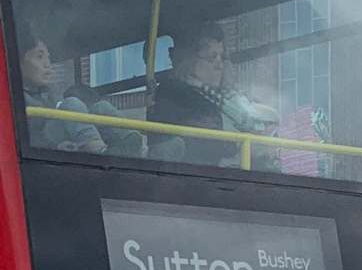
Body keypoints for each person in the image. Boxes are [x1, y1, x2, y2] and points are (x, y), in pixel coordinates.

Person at [148, 21, 279, 169]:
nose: (219, 65)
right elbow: (190, 141)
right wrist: (239, 145)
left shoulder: (232, 100)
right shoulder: (173, 94)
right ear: (188, 59)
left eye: (222, 57)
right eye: (211, 57)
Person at [19, 22, 143, 157]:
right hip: (43, 143)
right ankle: (97, 150)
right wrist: (53, 146)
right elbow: (21, 135)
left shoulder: (47, 94)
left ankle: (131, 141)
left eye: (49, 58)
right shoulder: (15, 98)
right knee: (71, 103)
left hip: (60, 136)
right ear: (19, 62)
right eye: (39, 57)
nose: (47, 64)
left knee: (101, 107)